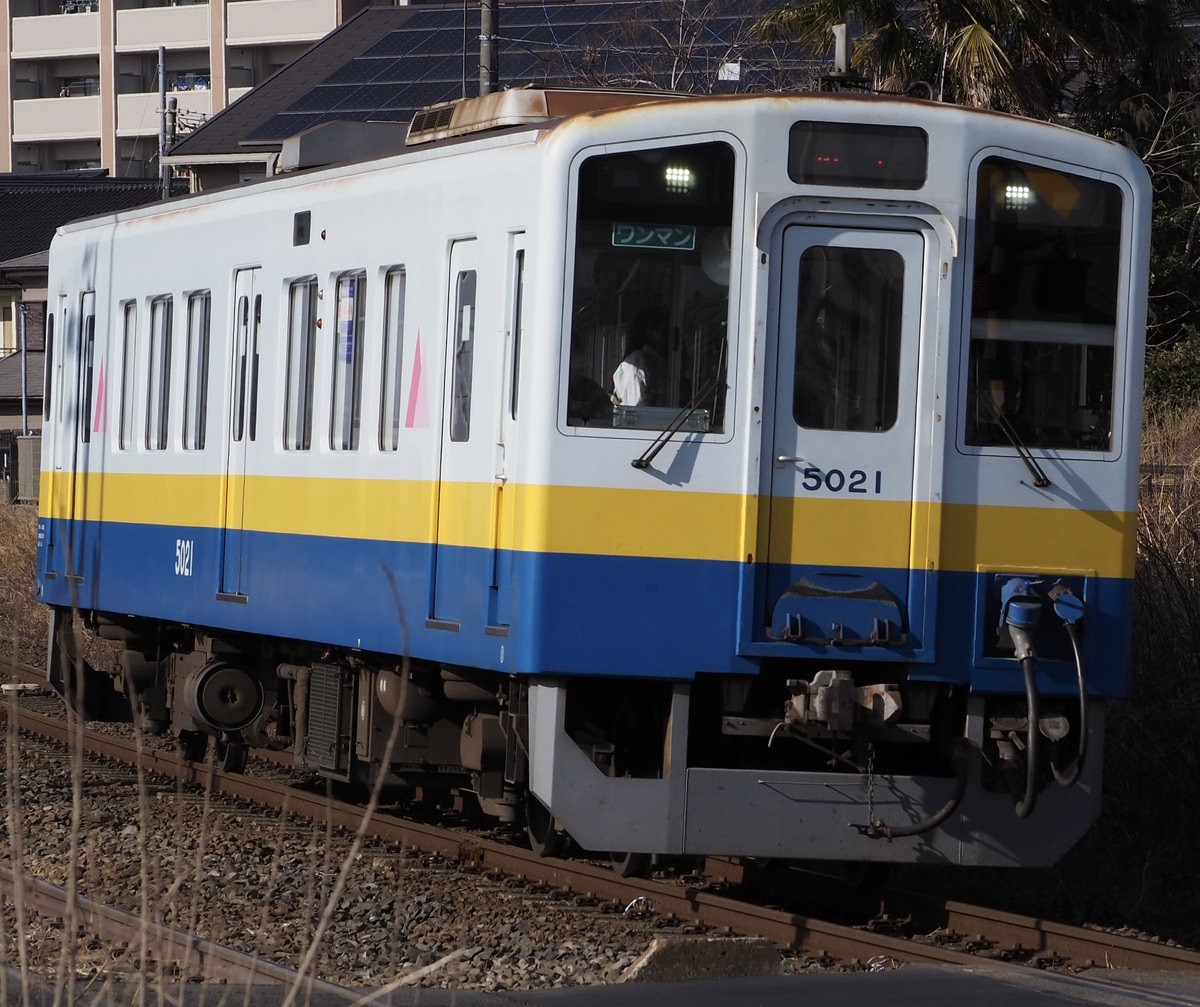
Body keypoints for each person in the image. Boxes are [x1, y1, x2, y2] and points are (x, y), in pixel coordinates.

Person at [612, 307, 669, 407]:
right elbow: (636, 411)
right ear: (650, 334)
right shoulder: (637, 363)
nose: (667, 335)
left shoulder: (659, 363)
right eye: (662, 330)